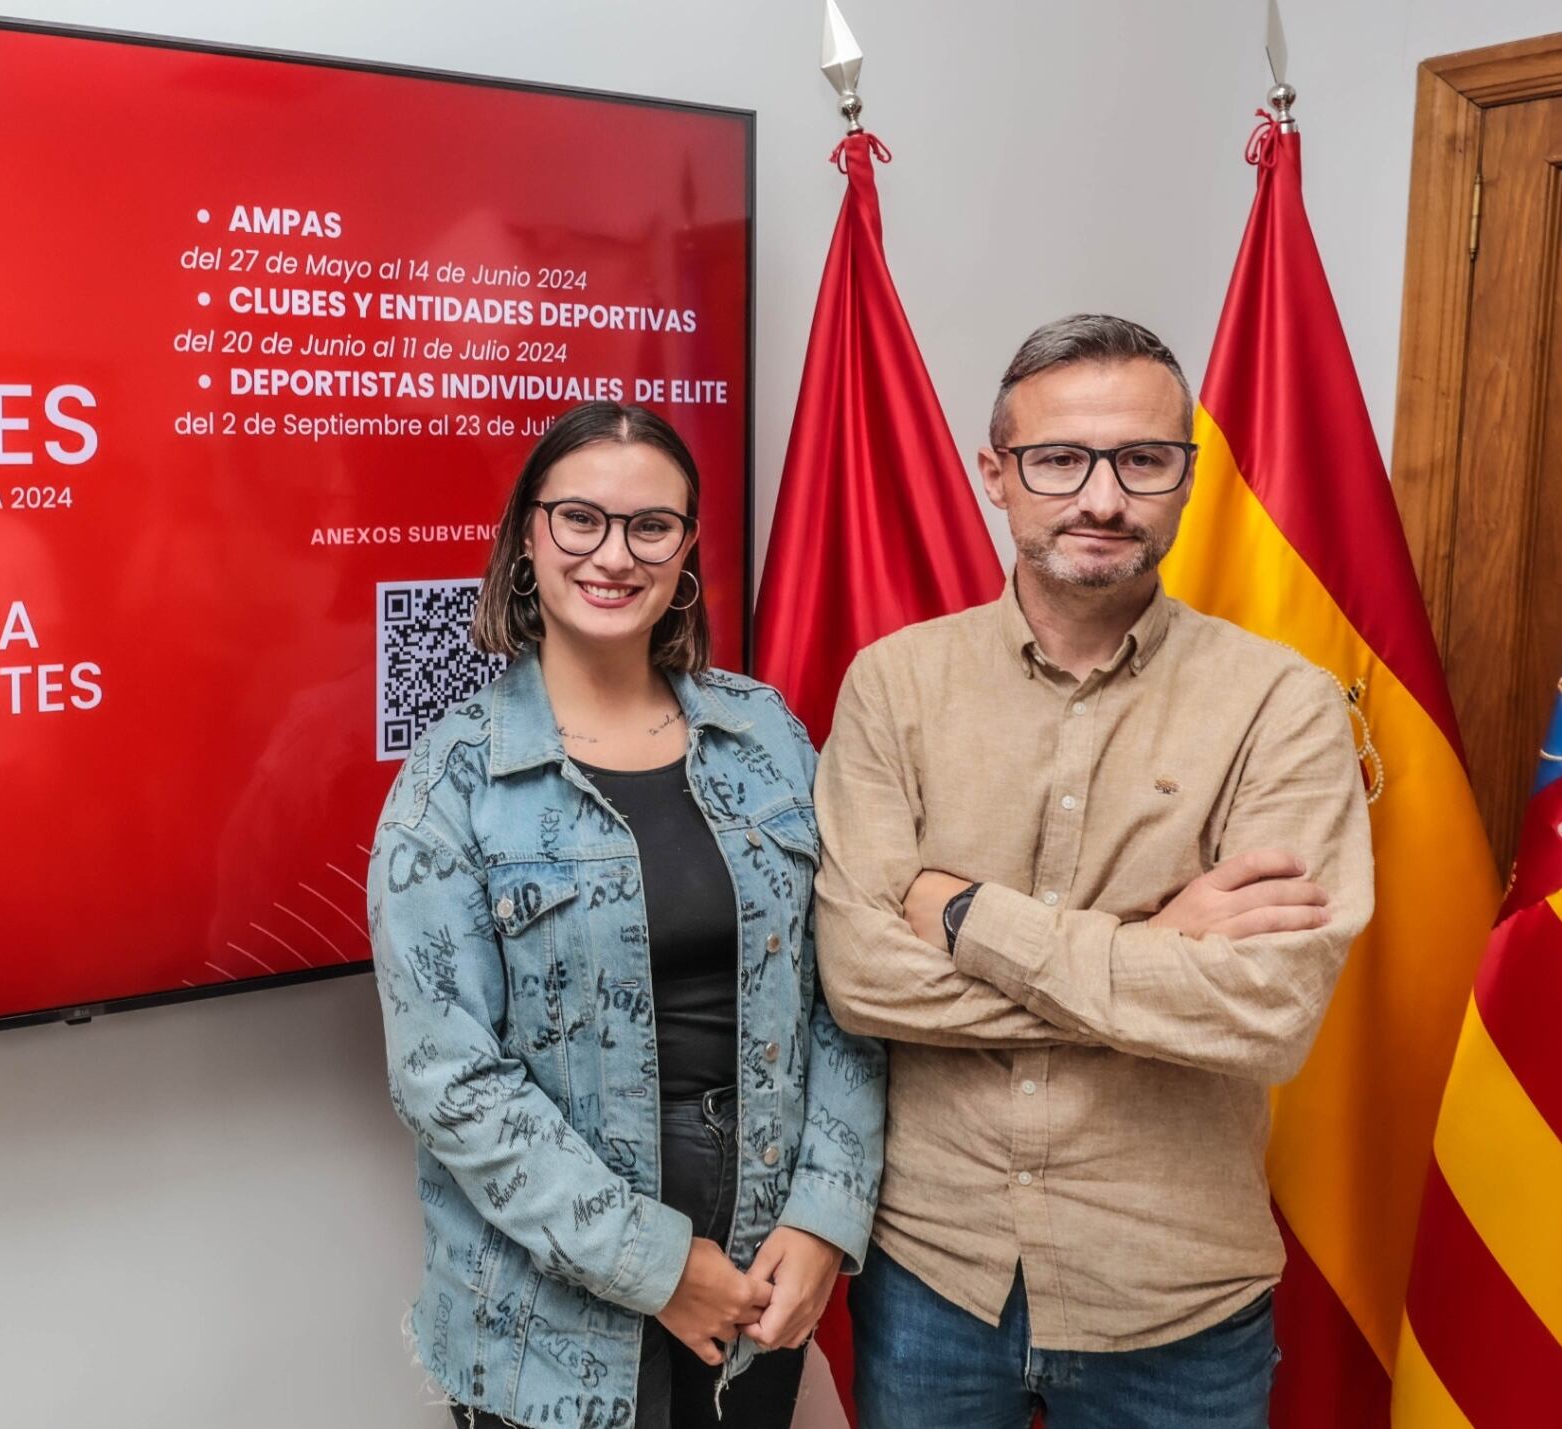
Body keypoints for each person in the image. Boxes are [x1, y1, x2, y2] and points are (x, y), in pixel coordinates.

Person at [813, 314, 1376, 1429]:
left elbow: (1265, 1013)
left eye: (1141, 460)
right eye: (1058, 459)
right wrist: (1160, 951)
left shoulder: (1284, 703)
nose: (1100, 497)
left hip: (1172, 1293)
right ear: (995, 474)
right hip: (934, 1278)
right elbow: (857, 978)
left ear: (1185, 476)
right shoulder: (892, 686)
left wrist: (961, 911)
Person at [373, 401, 886, 1429]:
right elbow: (447, 1078)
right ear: (528, 535)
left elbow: (851, 988)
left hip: (762, 1284)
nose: (614, 554)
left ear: (686, 547)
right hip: (548, 1322)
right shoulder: (454, 780)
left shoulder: (765, 735)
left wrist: (825, 1214)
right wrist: (655, 1264)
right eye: (580, 520)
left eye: (649, 525)